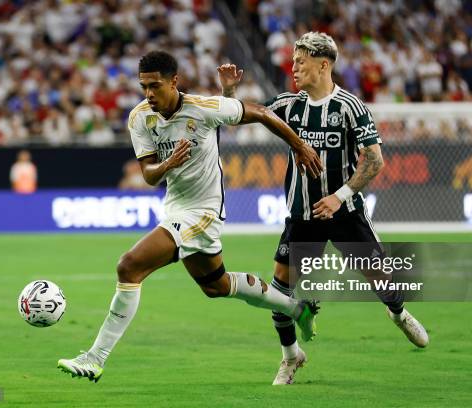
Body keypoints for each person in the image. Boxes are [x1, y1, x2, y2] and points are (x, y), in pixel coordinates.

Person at [57, 50, 324, 382]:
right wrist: (168, 165)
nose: (149, 94)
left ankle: (95, 358)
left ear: (174, 81)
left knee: (129, 265)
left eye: (155, 86)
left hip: (205, 211)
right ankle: (297, 308)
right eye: (144, 87)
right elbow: (149, 176)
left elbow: (260, 112)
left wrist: (299, 146)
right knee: (216, 286)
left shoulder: (204, 107)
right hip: (175, 208)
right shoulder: (140, 117)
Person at [218, 32, 429, 385]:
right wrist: (229, 93)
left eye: (300, 61)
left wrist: (339, 196)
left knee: (382, 281)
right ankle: (290, 357)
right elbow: (238, 118)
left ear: (323, 65)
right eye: (293, 61)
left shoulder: (350, 107)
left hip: (345, 213)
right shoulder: (288, 104)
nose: (294, 67)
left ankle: (398, 313)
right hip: (302, 217)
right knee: (278, 293)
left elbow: (374, 161)